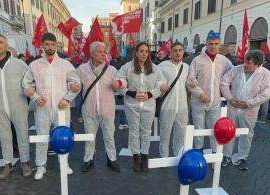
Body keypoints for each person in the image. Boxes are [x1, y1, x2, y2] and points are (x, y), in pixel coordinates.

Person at [22, 33, 81, 180]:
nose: (50, 47)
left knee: (63, 137)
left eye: (52, 44)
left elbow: (75, 84)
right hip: (43, 108)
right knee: (42, 137)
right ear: (42, 45)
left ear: (56, 45)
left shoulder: (65, 64)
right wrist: (35, 97)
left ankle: (64, 163)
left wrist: (68, 99)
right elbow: (26, 84)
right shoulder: (34, 65)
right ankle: (41, 166)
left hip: (62, 107)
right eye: (47, 44)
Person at [0, 34, 31, 179]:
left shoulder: (19, 64)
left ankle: (25, 162)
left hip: (18, 104)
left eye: (1, 42)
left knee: (22, 133)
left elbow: (28, 81)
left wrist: (29, 91)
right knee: (4, 136)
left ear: (6, 45)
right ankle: (8, 164)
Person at [220, 50, 270, 170]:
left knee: (247, 133)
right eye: (245, 61)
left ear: (258, 64)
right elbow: (224, 82)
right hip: (233, 106)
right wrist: (230, 98)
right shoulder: (237, 69)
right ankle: (226, 155)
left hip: (250, 109)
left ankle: (242, 157)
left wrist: (249, 103)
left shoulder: (266, 74)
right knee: (229, 131)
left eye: (249, 63)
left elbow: (267, 93)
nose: (245, 65)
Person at [116, 42, 163, 172]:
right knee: (134, 131)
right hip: (132, 105)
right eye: (141, 51)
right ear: (136, 53)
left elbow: (161, 85)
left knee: (146, 132)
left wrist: (150, 94)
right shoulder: (127, 67)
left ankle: (145, 156)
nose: (144, 54)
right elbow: (119, 81)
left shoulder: (154, 68)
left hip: (149, 105)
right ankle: (136, 157)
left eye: (146, 51)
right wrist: (130, 93)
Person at [77, 41, 120, 173]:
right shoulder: (81, 69)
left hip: (107, 109)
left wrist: (118, 85)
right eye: (99, 52)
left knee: (109, 135)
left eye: (104, 52)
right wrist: (73, 86)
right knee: (90, 136)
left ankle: (111, 159)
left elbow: (121, 85)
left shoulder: (112, 70)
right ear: (91, 53)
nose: (103, 54)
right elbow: (73, 84)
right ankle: (88, 159)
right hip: (89, 109)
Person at [187, 32, 233, 153]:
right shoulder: (197, 60)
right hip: (198, 102)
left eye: (216, 44)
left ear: (219, 45)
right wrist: (200, 93)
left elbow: (233, 75)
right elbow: (190, 80)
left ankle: (214, 153)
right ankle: (198, 153)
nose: (213, 46)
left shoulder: (224, 61)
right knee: (198, 129)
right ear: (206, 44)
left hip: (215, 102)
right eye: (210, 44)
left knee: (215, 129)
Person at [158, 41, 189, 157]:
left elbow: (190, 82)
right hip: (167, 106)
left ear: (183, 52)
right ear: (170, 52)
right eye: (175, 50)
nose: (177, 53)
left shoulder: (186, 67)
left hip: (182, 107)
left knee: (181, 134)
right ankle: (163, 157)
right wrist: (161, 85)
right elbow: (156, 80)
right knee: (165, 134)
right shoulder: (162, 66)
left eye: (180, 50)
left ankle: (178, 156)